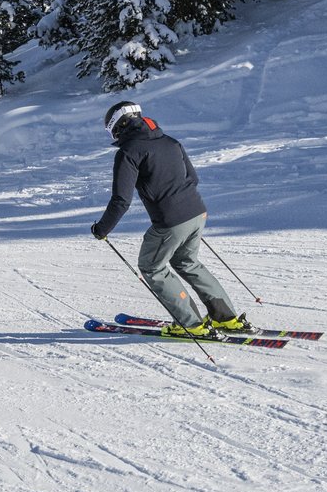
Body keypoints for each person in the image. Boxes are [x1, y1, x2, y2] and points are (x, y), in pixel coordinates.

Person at [90, 101, 246, 338]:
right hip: (197, 212)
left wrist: (102, 229)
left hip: (171, 221)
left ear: (118, 126)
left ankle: (191, 324)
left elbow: (121, 199)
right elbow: (192, 178)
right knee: (187, 262)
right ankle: (227, 318)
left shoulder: (129, 152)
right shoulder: (170, 142)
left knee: (152, 267)